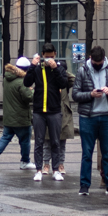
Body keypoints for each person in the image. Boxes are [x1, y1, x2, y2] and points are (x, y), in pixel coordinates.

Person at [72, 46, 108, 197]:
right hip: (88, 118)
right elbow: (75, 94)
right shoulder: (82, 71)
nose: (97, 65)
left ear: (104, 59)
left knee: (107, 154)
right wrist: (90, 94)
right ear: (90, 58)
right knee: (87, 154)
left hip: (107, 117)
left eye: (100, 63)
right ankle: (84, 186)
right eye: (95, 63)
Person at [20, 47, 70, 183]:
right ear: (42, 55)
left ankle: (56, 170)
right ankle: (38, 170)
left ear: (55, 55)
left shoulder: (59, 68)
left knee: (55, 141)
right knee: (39, 142)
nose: (49, 60)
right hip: (39, 111)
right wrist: (32, 65)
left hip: (54, 110)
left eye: (51, 57)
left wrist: (55, 69)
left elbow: (63, 84)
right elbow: (27, 82)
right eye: (47, 57)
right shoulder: (37, 68)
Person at [0, 55, 32, 171]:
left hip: (8, 117)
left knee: (5, 138)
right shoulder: (22, 82)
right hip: (21, 118)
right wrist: (33, 91)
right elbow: (28, 97)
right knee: (25, 140)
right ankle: (25, 161)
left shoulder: (6, 79)